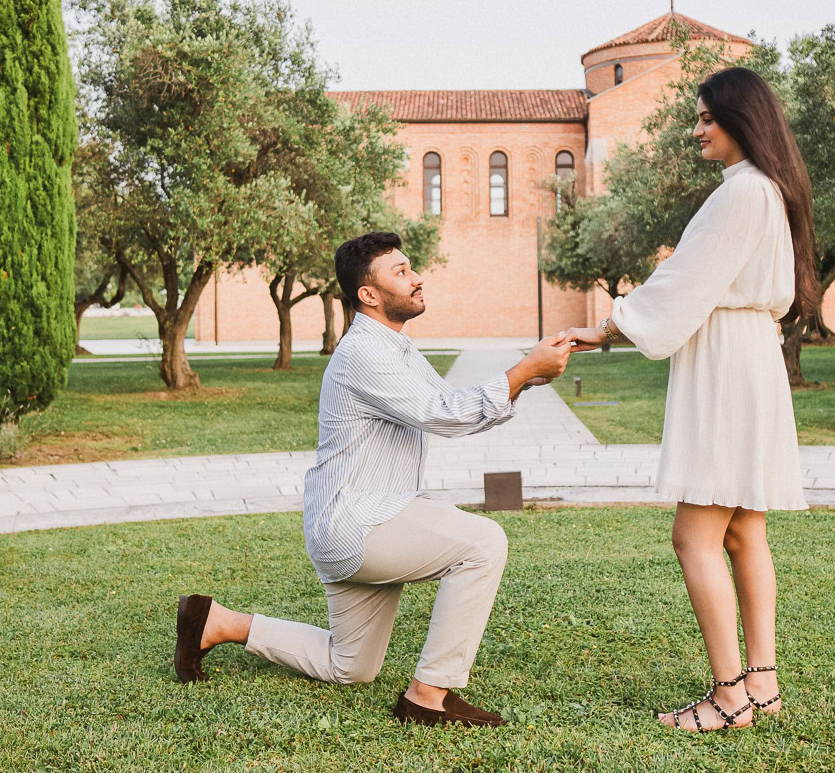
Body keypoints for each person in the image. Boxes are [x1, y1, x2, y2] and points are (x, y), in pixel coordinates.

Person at [175, 230, 574, 727]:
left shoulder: (396, 348)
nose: (417, 277)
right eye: (401, 272)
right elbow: (443, 413)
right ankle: (428, 696)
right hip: (359, 523)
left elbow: (452, 410)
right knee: (483, 542)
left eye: (412, 268)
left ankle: (217, 622)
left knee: (352, 666)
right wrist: (519, 372)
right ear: (368, 294)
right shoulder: (365, 353)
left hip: (355, 521)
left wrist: (530, 377)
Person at [566, 66, 818, 731]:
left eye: (708, 117)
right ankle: (761, 684)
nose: (697, 128)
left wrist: (608, 323)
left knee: (695, 535)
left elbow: (685, 279)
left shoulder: (742, 195)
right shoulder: (768, 191)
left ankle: (729, 696)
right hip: (749, 355)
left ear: (742, 121)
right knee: (743, 530)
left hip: (729, 362)